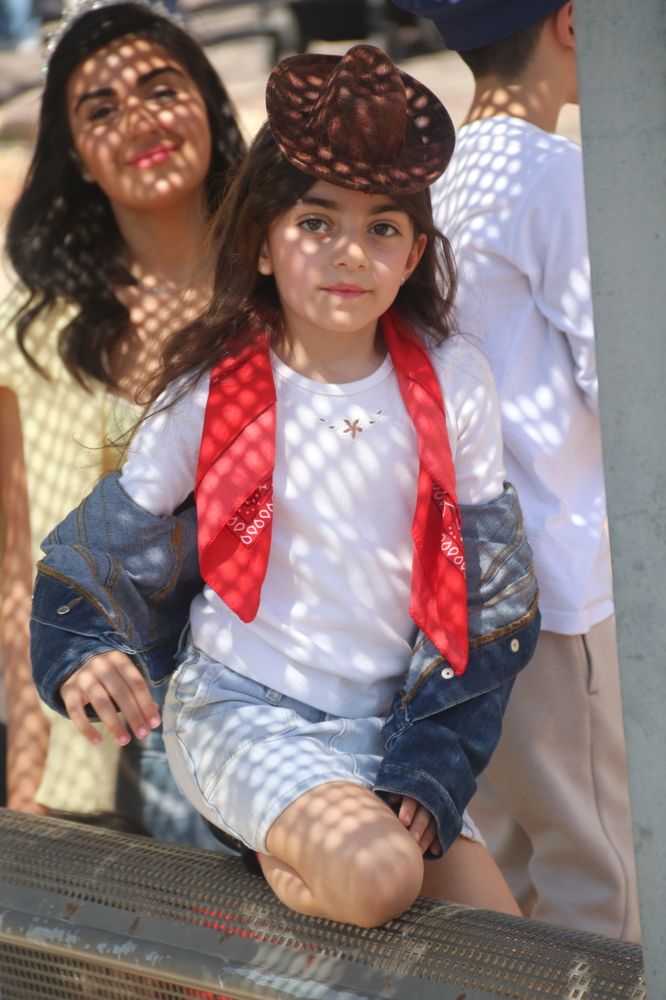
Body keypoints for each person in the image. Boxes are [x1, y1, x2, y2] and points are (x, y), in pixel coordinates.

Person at [31, 44, 541, 926]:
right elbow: (101, 550)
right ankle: (267, 843)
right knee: (380, 877)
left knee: (508, 950)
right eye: (315, 222)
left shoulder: (454, 378)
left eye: (383, 228)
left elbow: (490, 594)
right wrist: (82, 650)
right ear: (262, 243)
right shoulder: (212, 391)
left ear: (414, 254)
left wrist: (435, 756)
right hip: (244, 712)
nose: (350, 252)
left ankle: (332, 854)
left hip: (392, 728)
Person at [390, 0, 641, 941]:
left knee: (509, 869)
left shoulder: (436, 179)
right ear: (573, 21)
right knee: (603, 874)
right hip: (559, 586)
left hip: (456, 590)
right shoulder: (555, 172)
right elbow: (626, 378)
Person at [1, 0, 245, 844]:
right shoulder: (35, 333)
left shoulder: (292, 282)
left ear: (209, 104)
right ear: (75, 155)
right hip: (121, 724)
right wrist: (29, 778)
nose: (139, 120)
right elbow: (22, 572)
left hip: (293, 703)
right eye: (100, 108)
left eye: (161, 88)